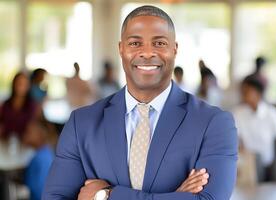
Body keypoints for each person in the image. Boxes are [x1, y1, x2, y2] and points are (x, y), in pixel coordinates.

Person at [43, 5, 238, 200]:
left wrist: (106, 195)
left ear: (175, 49)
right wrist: (174, 196)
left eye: (159, 43)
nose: (147, 53)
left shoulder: (214, 123)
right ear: (121, 49)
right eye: (135, 43)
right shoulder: (82, 123)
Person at [233, 75, 276, 181]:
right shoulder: (238, 113)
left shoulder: (272, 113)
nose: (243, 94)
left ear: (258, 93)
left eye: (247, 91)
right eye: (243, 91)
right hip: (249, 164)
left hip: (269, 165)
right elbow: (236, 140)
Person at [0, 72, 40, 140]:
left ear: (28, 86)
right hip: (6, 142)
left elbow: (33, 127)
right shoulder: (5, 105)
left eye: (24, 84)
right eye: (19, 83)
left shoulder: (33, 106)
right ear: (14, 84)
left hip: (25, 144)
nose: (21, 86)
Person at [23, 120, 54, 200]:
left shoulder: (39, 159)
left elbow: (39, 190)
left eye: (28, 133)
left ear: (40, 135)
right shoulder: (48, 152)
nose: (24, 135)